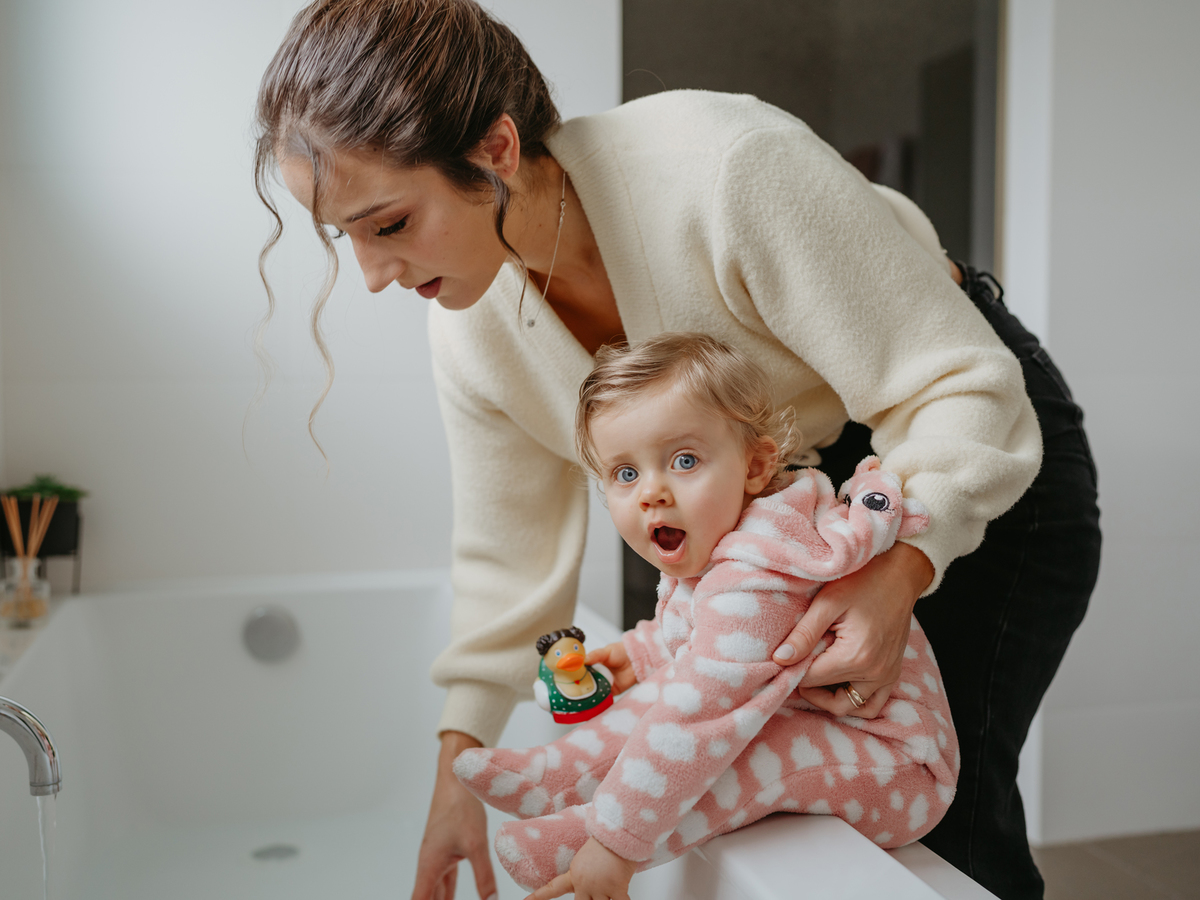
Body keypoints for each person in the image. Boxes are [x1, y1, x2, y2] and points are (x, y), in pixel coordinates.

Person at [252, 2, 1101, 898]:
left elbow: (963, 389)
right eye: (344, 236)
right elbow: (508, 559)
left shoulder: (727, 169)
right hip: (788, 491)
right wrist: (455, 783)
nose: (373, 276)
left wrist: (898, 572)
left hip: (963, 446)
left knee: (943, 830)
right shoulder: (470, 327)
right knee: (804, 814)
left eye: (388, 225)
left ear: (496, 149)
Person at [452, 333, 959, 898]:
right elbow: (704, 631)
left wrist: (616, 844)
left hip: (899, 765)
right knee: (671, 689)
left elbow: (698, 717)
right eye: (625, 474)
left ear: (755, 465)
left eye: (684, 460)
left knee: (735, 744)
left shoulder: (763, 569)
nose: (651, 493)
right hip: (820, 719)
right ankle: (554, 775)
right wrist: (643, 652)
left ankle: (581, 837)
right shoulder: (729, 534)